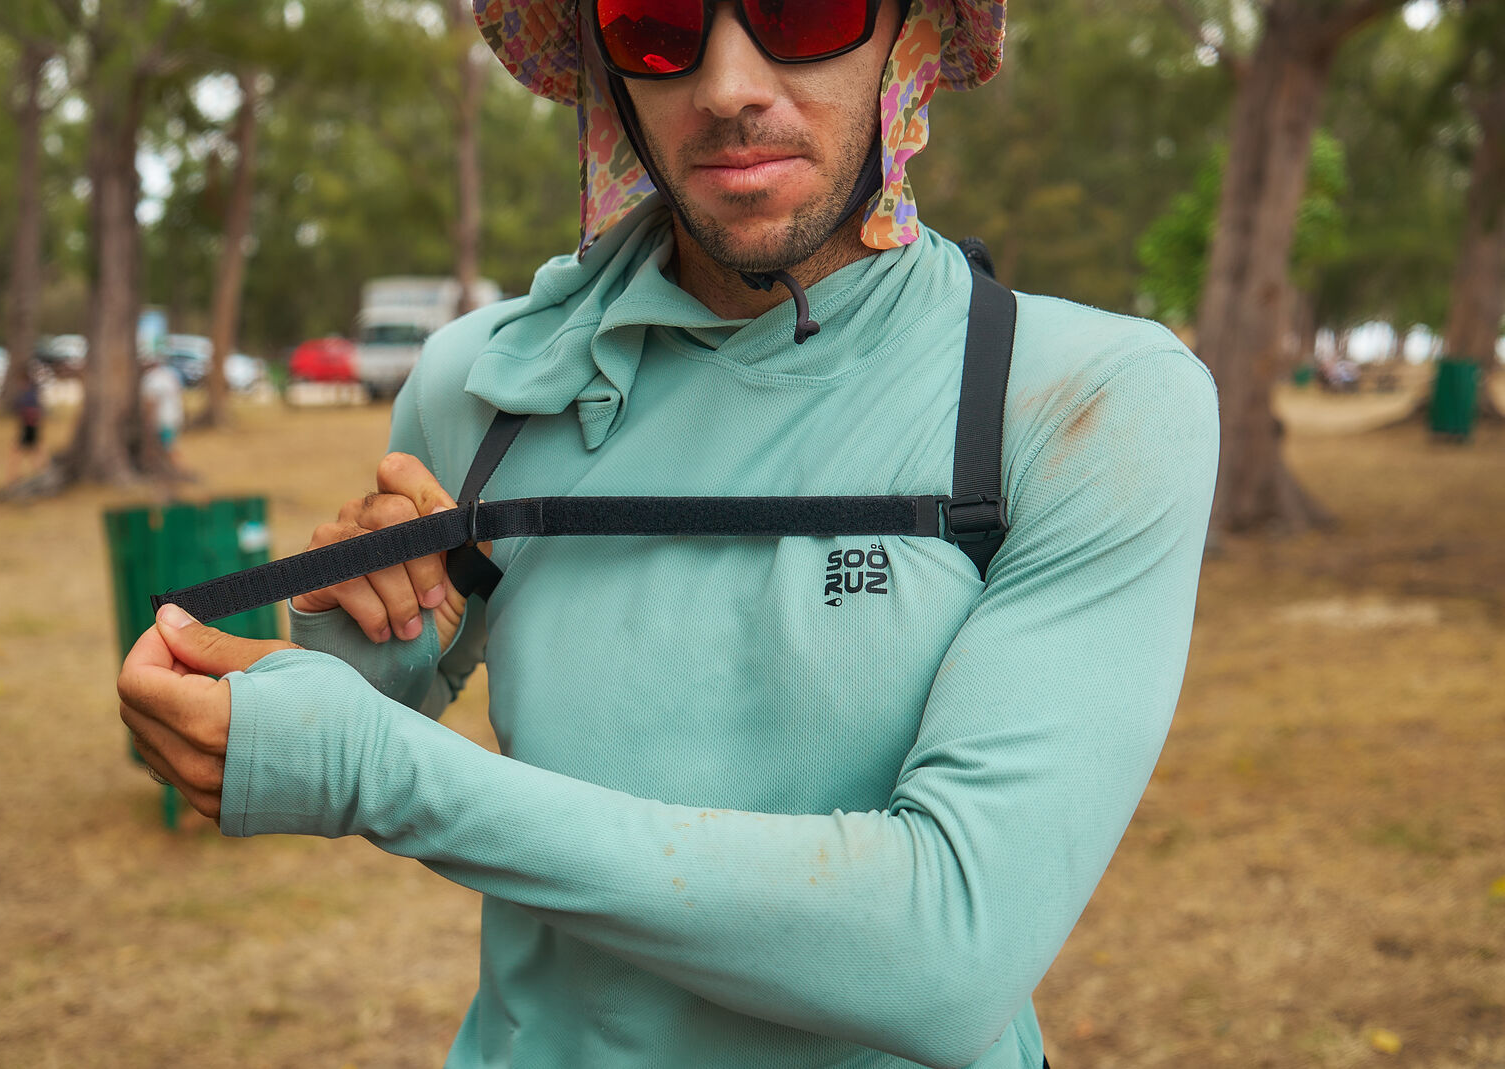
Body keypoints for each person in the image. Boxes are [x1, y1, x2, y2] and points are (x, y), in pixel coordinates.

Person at [118, 2, 1219, 1066]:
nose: (728, 89)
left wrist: (380, 773)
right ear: (605, 67)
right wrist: (370, 653)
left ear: (911, 32)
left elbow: (952, 954)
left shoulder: (1079, 401)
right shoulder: (486, 385)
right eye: (655, 23)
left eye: (803, 10)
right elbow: (387, 701)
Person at [138, 351, 185, 465]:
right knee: (169, 445)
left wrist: (149, 421)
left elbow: (151, 402)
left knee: (166, 448)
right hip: (174, 416)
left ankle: (174, 466)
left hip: (162, 420)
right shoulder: (168, 375)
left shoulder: (152, 379)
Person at [6, 362, 45, 483]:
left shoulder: (29, 394)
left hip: (29, 426)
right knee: (33, 450)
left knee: (19, 450)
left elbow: (33, 410)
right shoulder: (30, 393)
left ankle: (13, 475)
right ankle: (36, 472)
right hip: (28, 425)